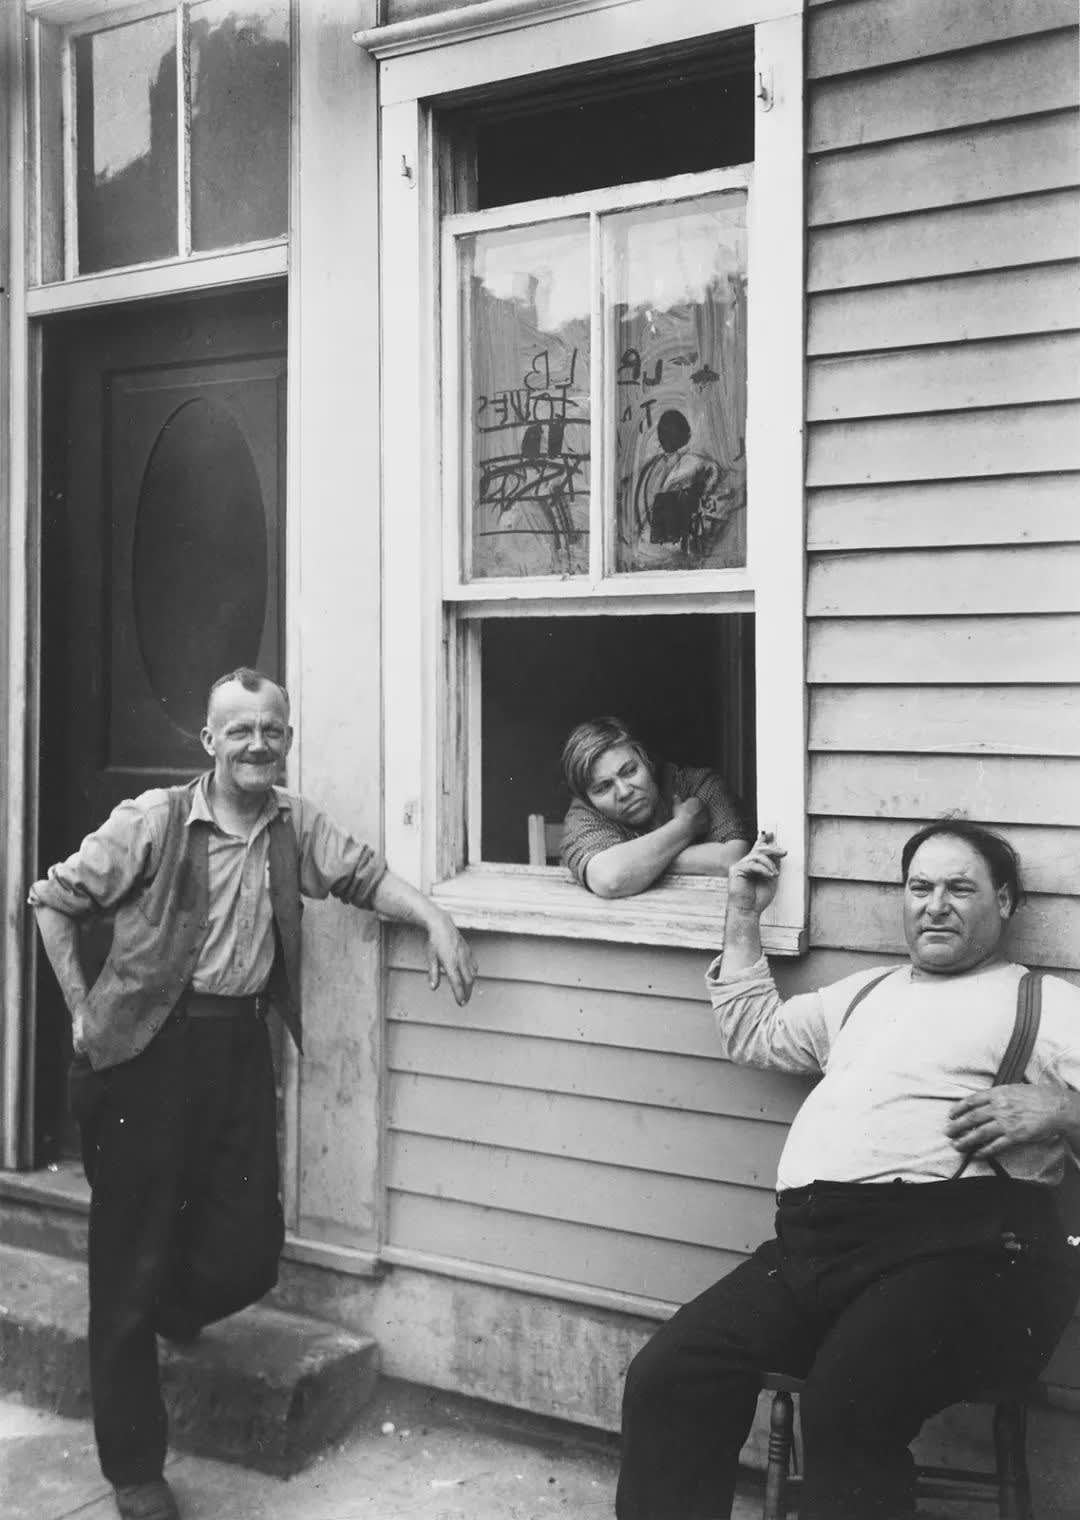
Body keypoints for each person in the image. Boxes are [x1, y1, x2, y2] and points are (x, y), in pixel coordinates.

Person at [30, 667, 477, 1520]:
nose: (256, 745)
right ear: (208, 742)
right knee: (124, 1267)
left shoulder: (291, 825)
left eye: (271, 730)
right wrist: (83, 1011)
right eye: (238, 731)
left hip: (236, 1047)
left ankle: (167, 1305)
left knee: (249, 1246)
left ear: (287, 740)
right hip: (143, 1054)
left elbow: (362, 875)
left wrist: (436, 919)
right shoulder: (153, 822)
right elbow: (52, 899)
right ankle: (135, 1472)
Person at [616, 820, 1080, 1520]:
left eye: (961, 888)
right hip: (816, 1248)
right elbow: (755, 1033)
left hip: (963, 1256)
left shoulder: (1044, 1001)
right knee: (671, 1374)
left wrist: (1061, 1109)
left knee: (846, 1404)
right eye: (920, 888)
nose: (936, 905)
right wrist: (743, 914)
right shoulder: (865, 995)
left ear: (1006, 902)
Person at [559, 716, 752, 898]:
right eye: (603, 787)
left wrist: (638, 865)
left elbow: (735, 859)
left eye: (630, 771)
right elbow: (610, 879)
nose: (624, 792)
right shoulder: (583, 813)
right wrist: (684, 827)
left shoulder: (696, 785)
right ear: (587, 799)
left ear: (646, 761)